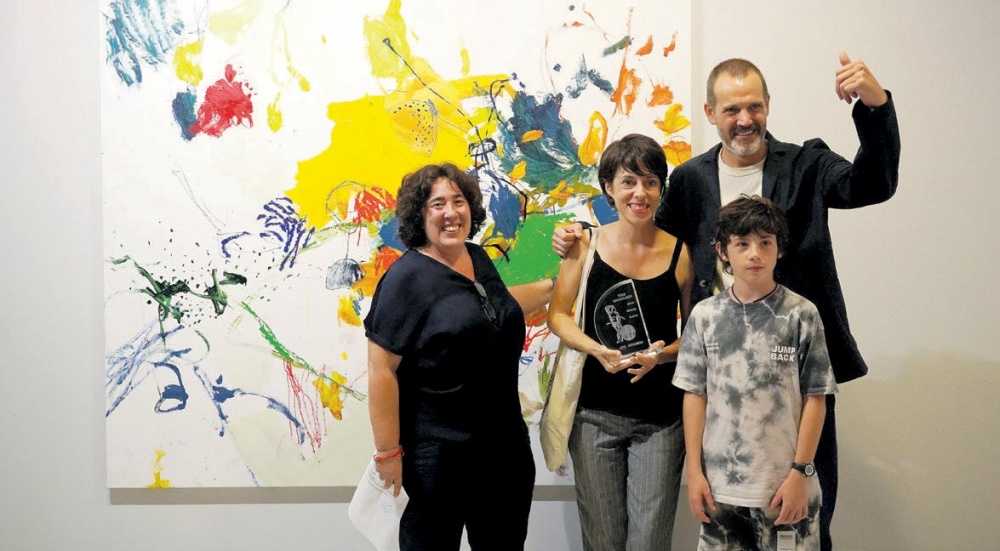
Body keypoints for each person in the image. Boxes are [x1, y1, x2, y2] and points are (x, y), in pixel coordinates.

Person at [553, 51, 900, 549]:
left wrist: (874, 105)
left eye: (754, 106)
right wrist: (578, 234)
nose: (744, 119)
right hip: (717, 381)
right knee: (726, 525)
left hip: (794, 378)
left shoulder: (805, 163)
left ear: (768, 105)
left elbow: (872, 185)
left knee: (804, 520)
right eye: (731, 109)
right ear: (710, 113)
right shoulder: (690, 180)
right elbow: (647, 242)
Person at [364, 163, 553, 551]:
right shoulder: (406, 278)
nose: (450, 212)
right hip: (436, 460)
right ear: (420, 215)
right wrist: (387, 454)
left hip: (504, 454)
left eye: (459, 201)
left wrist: (557, 285)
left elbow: (496, 308)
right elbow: (381, 369)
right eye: (438, 204)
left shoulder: (476, 257)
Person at [547, 134, 693, 551]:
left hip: (661, 421)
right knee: (603, 541)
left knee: (650, 542)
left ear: (661, 188)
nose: (639, 193)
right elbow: (558, 315)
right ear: (609, 187)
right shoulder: (584, 244)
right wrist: (595, 348)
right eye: (628, 181)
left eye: (650, 182)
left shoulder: (681, 253)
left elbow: (696, 336)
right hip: (593, 416)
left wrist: (660, 356)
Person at [673, 195, 838, 550]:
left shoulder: (801, 314)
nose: (755, 254)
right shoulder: (704, 317)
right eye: (742, 244)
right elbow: (694, 395)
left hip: (784, 488)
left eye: (765, 243)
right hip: (720, 490)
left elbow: (816, 398)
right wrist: (694, 472)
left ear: (779, 249)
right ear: (722, 251)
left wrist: (801, 472)